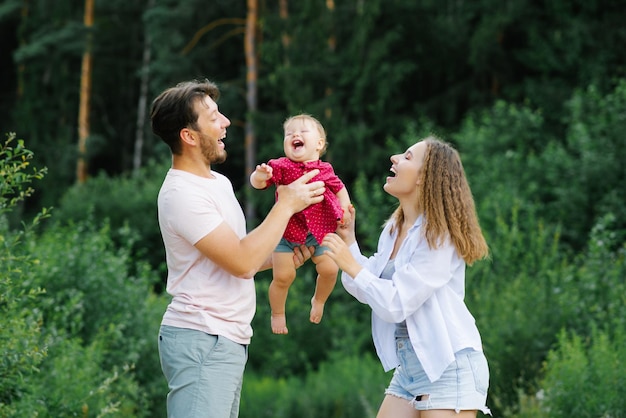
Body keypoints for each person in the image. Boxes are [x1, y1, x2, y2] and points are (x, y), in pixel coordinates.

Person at [151, 79, 325, 418]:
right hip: (202, 337)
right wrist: (285, 204)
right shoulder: (181, 194)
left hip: (224, 339)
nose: (225, 122)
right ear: (188, 136)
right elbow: (243, 263)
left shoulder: (218, 183)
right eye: (213, 117)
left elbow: (237, 257)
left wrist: (285, 256)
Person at [323, 136, 492, 417]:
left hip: (449, 366)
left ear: (424, 178)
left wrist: (348, 263)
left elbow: (396, 303)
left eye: (408, 157)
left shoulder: (440, 236)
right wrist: (349, 243)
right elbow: (367, 288)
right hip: (411, 370)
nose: (395, 157)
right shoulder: (394, 228)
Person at [250, 114, 351, 334]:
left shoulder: (325, 170)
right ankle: (277, 313)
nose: (295, 135)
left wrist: (344, 209)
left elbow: (340, 187)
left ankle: (319, 300)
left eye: (303, 131)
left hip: (319, 231)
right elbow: (259, 184)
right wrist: (259, 176)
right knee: (283, 276)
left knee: (330, 269)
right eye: (289, 133)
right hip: (286, 234)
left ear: (319, 144)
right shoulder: (281, 166)